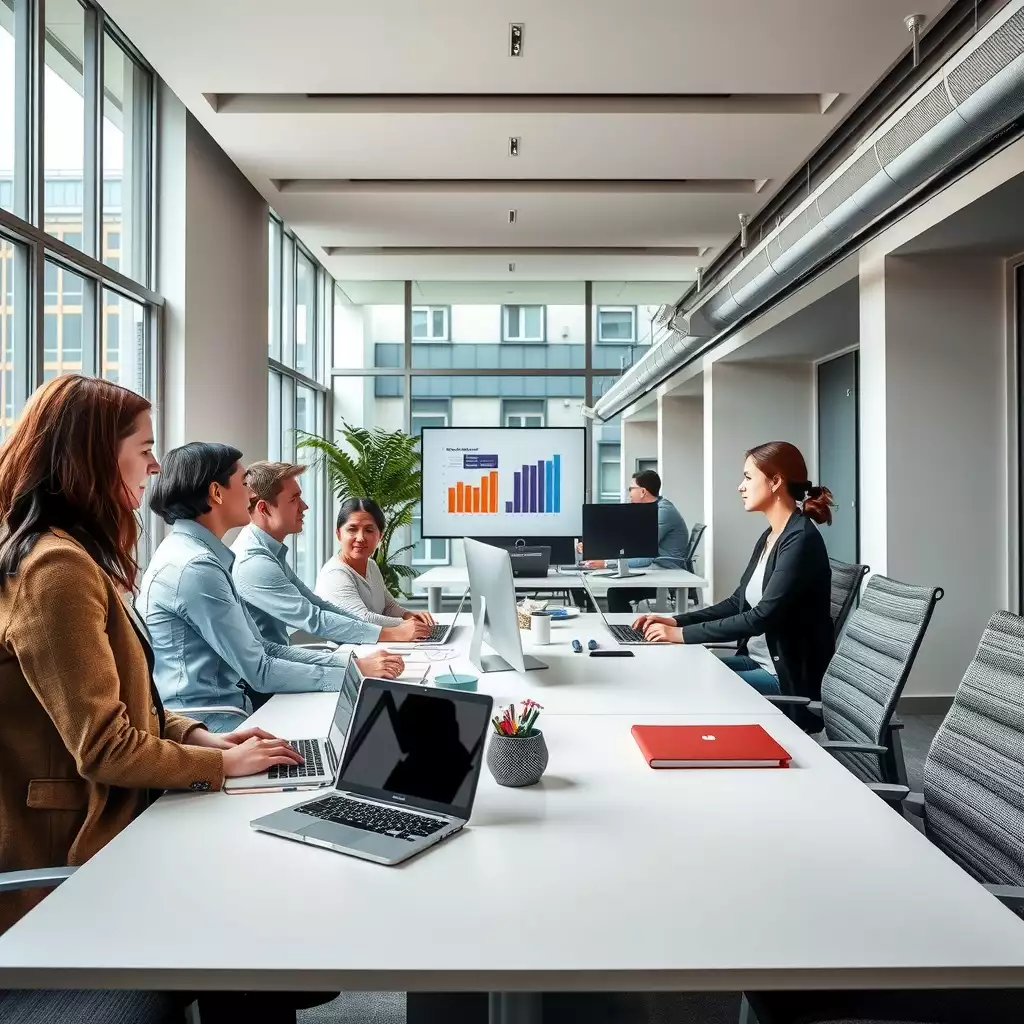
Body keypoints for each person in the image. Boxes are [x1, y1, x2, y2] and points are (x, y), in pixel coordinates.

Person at [0, 378, 304, 939]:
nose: (155, 466)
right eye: (143, 450)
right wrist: (221, 767)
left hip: (123, 816)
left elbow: (129, 702)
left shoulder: (80, 558)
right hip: (76, 858)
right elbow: (104, 747)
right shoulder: (56, 570)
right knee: (260, 900)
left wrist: (201, 739)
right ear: (91, 458)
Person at [139, 443, 404, 731]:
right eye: (243, 484)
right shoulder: (196, 568)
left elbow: (262, 648)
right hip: (212, 726)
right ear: (216, 493)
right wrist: (351, 671)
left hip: (228, 711)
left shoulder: (200, 555)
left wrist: (350, 665)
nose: (251, 494)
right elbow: (260, 670)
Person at [634, 441, 834, 723]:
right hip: (756, 662)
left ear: (776, 481)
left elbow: (760, 618)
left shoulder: (800, 540)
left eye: (748, 478)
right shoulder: (771, 536)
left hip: (784, 683)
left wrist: (682, 637)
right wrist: (677, 622)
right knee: (674, 673)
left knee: (679, 688)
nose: (741, 486)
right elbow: (736, 603)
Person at [233, 462, 431, 644]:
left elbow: (318, 605)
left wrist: (403, 624)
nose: (304, 507)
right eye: (294, 499)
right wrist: (394, 632)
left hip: (277, 660)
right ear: (264, 509)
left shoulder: (271, 551)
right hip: (265, 673)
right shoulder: (254, 561)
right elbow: (314, 619)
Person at [316, 497, 436, 629]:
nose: (360, 538)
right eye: (352, 529)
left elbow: (389, 607)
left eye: (369, 530)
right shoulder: (335, 574)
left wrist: (411, 616)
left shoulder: (371, 565)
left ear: (380, 536)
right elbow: (364, 619)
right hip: (347, 648)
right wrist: (408, 625)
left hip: (377, 643)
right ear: (338, 534)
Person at [580, 469, 689, 613]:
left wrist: (606, 563)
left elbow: (642, 552)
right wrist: (594, 547)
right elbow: (626, 540)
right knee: (615, 589)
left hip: (664, 572)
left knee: (616, 593)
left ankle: (625, 632)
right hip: (654, 568)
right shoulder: (649, 509)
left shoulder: (662, 512)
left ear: (643, 492)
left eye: (631, 489)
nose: (629, 493)